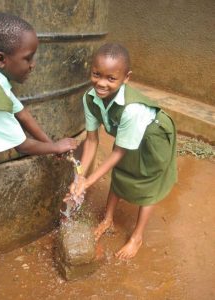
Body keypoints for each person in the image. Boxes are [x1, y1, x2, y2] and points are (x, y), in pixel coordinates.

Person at [68, 43, 177, 260]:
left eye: (111, 78)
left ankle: (137, 236)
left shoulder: (133, 109)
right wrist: (80, 177)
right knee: (121, 172)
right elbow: (91, 140)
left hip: (152, 136)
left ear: (126, 78)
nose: (101, 83)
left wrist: (88, 183)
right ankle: (107, 219)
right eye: (96, 74)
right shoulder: (90, 98)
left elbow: (117, 153)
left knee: (148, 183)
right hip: (128, 135)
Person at [0, 12, 77, 155]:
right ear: (0, 60)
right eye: (28, 58)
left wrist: (50, 144)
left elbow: (23, 115)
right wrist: (57, 147)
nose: (33, 65)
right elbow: (22, 146)